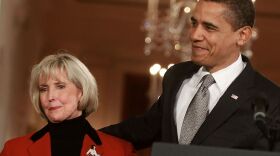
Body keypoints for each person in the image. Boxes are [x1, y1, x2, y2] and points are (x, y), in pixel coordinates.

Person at [101, 0, 280, 151]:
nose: (194, 35)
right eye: (194, 23)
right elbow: (142, 129)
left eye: (209, 27)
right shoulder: (176, 76)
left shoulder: (271, 100)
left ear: (242, 35)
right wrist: (80, 134)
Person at [1, 51, 136, 156]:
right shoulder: (14, 150)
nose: (50, 96)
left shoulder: (120, 151)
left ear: (81, 92)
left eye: (60, 86)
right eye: (43, 89)